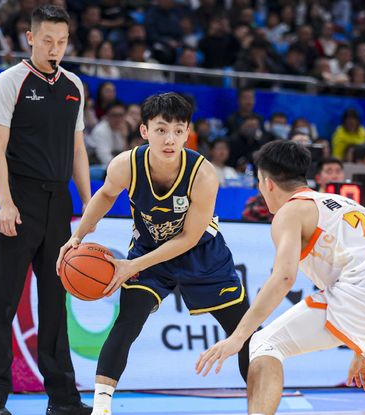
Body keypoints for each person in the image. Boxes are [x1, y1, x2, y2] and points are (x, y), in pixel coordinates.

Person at [196, 140, 365, 415]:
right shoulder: (344, 202)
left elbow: (284, 278)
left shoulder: (290, 212)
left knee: (264, 344)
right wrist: (362, 346)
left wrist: (238, 337)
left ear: (268, 183)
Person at [56, 93, 250, 415]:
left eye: (177, 131)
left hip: (201, 254)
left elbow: (188, 238)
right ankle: (101, 408)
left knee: (245, 333)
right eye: (161, 130)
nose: (169, 139)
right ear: (144, 131)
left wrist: (131, 265)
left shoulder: (203, 175)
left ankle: (261, 408)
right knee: (127, 321)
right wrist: (77, 236)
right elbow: (105, 195)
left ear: (187, 133)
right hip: (149, 248)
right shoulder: (126, 164)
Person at [0, 6, 92, 415]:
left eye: (61, 42)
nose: (54, 49)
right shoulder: (10, 81)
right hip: (19, 200)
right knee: (2, 302)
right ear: (30, 38)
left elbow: (78, 149)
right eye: (47, 41)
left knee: (56, 305)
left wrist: (88, 203)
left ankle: (63, 400)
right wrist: (6, 203)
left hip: (59, 203)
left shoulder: (74, 85)